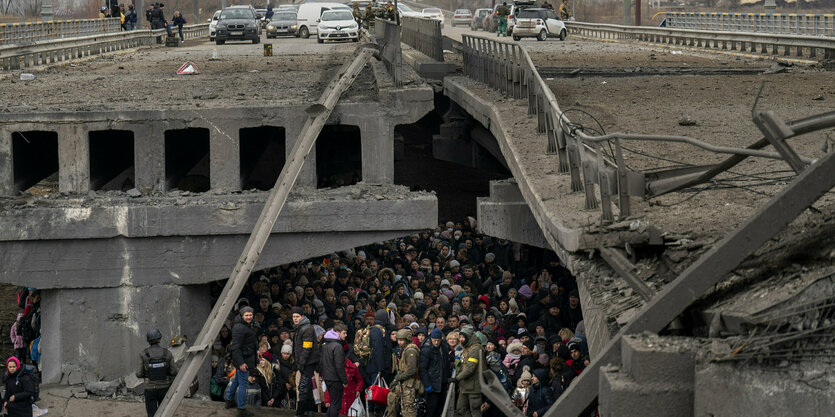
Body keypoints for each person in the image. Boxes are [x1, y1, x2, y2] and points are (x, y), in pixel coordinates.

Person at [136, 329, 178, 417]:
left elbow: (139, 374)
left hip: (150, 388)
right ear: (159, 339)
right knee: (164, 413)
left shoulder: (143, 354)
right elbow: (174, 372)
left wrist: (149, 373)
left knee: (152, 414)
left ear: (148, 340)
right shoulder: (167, 353)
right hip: (165, 387)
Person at [227, 306, 257, 417]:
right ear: (242, 315)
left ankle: (229, 400)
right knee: (243, 385)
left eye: (250, 315)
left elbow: (250, 341)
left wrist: (257, 350)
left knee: (237, 380)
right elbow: (235, 347)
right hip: (243, 360)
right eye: (247, 315)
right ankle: (241, 409)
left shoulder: (246, 325)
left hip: (246, 357)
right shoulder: (239, 328)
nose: (249, 317)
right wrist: (241, 363)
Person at [386, 328, 421, 417]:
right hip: (404, 382)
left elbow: (411, 370)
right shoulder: (405, 349)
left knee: (407, 409)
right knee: (392, 398)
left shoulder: (410, 351)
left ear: (407, 339)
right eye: (398, 340)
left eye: (401, 340)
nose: (399, 342)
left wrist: (398, 378)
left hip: (409, 384)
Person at [292, 305, 320, 416]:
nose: (295, 318)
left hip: (308, 362)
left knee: (303, 387)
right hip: (306, 361)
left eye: (297, 316)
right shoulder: (300, 327)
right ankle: (309, 411)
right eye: (293, 316)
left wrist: (301, 363)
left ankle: (300, 412)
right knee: (307, 387)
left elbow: (307, 348)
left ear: (302, 316)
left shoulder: (306, 328)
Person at [450, 326, 483, 417]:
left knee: (475, 410)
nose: (461, 339)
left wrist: (457, 378)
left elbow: (470, 368)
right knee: (461, 409)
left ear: (469, 336)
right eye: (460, 337)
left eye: (463, 337)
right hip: (464, 385)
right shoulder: (467, 348)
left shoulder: (476, 349)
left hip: (474, 386)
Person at [321, 323, 348, 417]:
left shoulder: (325, 345)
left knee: (333, 402)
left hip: (327, 377)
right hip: (335, 378)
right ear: (337, 332)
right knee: (336, 404)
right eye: (344, 333)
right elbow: (339, 366)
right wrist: (344, 380)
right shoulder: (337, 346)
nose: (346, 335)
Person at [420, 328, 449, 417]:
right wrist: (427, 384)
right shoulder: (426, 349)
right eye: (434, 340)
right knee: (431, 409)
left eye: (438, 340)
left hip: (442, 382)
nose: (436, 342)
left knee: (440, 408)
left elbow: (445, 362)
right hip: (432, 383)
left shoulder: (443, 346)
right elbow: (422, 369)